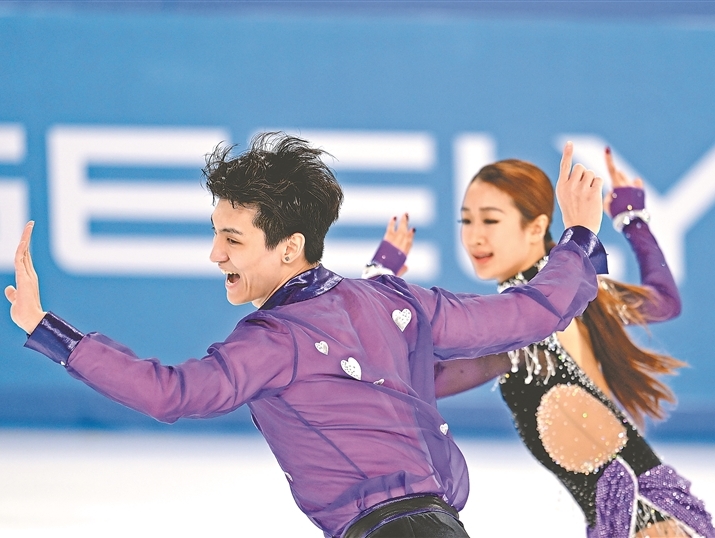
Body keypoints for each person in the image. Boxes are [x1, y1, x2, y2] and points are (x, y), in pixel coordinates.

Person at [5, 133, 607, 538]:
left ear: (290, 247)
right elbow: (529, 313)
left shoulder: (274, 340)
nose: (215, 254)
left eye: (232, 239)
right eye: (216, 233)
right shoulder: (389, 300)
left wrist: (47, 331)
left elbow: (173, 393)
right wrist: (578, 238)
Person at [369, 148, 715, 538]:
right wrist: (631, 217)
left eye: (490, 220)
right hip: (658, 513)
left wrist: (378, 286)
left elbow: (411, 380)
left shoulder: (522, 329)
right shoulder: (579, 295)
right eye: (466, 220)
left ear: (536, 228)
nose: (474, 236)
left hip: (647, 525)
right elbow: (665, 300)